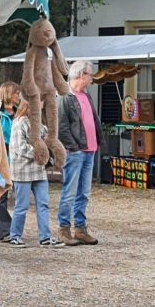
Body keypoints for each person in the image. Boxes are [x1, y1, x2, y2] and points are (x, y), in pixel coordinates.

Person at [56, 60, 100, 246]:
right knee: (70, 192)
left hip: (89, 150)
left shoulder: (85, 95)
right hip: (76, 151)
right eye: (90, 76)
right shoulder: (65, 96)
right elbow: (62, 126)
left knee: (84, 192)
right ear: (82, 75)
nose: (91, 80)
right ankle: (64, 229)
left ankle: (80, 228)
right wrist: (73, 147)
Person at [9, 104, 59, 248]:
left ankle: (45, 237)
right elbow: (19, 148)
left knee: (43, 203)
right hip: (23, 172)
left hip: (39, 170)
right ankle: (15, 235)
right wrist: (41, 153)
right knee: (22, 206)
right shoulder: (20, 123)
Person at [0, 82, 21, 242]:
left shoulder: (18, 114)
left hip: (15, 158)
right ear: (8, 95)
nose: (19, 96)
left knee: (2, 194)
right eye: (16, 93)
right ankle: (5, 230)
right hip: (2, 157)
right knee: (1, 194)